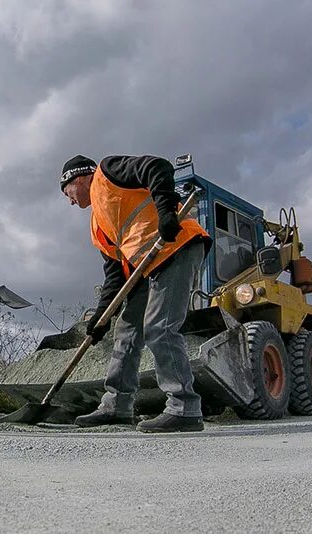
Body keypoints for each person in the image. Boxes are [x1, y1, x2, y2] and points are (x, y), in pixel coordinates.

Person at [59, 154, 211, 433]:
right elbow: (115, 275)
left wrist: (166, 213)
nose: (69, 200)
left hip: (177, 245)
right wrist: (100, 320)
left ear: (77, 178)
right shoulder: (97, 226)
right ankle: (117, 405)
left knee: (160, 326)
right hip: (148, 266)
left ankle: (184, 408)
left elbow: (157, 167)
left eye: (66, 191)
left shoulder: (108, 172)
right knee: (126, 330)